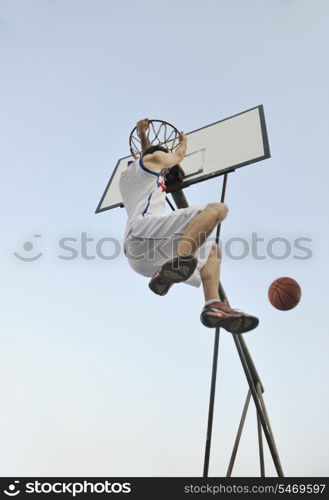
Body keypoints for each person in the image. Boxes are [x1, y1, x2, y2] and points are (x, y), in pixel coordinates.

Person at [119, 118, 259, 333]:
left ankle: (213, 305)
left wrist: (143, 137)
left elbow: (148, 157)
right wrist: (183, 142)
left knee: (212, 251)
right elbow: (175, 157)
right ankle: (178, 263)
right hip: (145, 232)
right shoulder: (155, 160)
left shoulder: (129, 176)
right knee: (216, 210)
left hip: (140, 259)